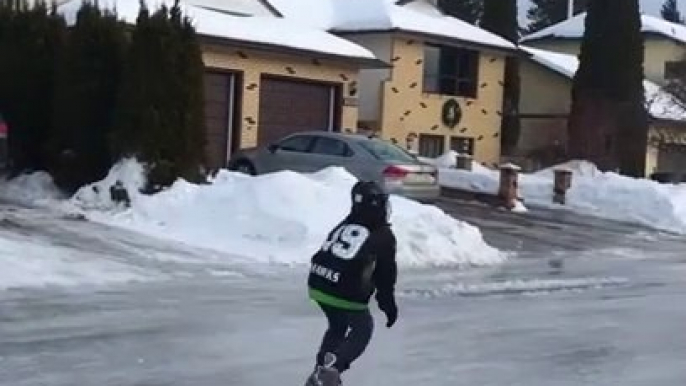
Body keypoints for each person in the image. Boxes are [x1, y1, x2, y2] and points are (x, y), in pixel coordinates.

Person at [305, 180, 398, 386]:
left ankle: (320, 371)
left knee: (337, 325)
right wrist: (388, 305)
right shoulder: (383, 234)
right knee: (363, 327)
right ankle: (332, 369)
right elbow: (385, 275)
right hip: (343, 290)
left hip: (318, 283)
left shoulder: (347, 222)